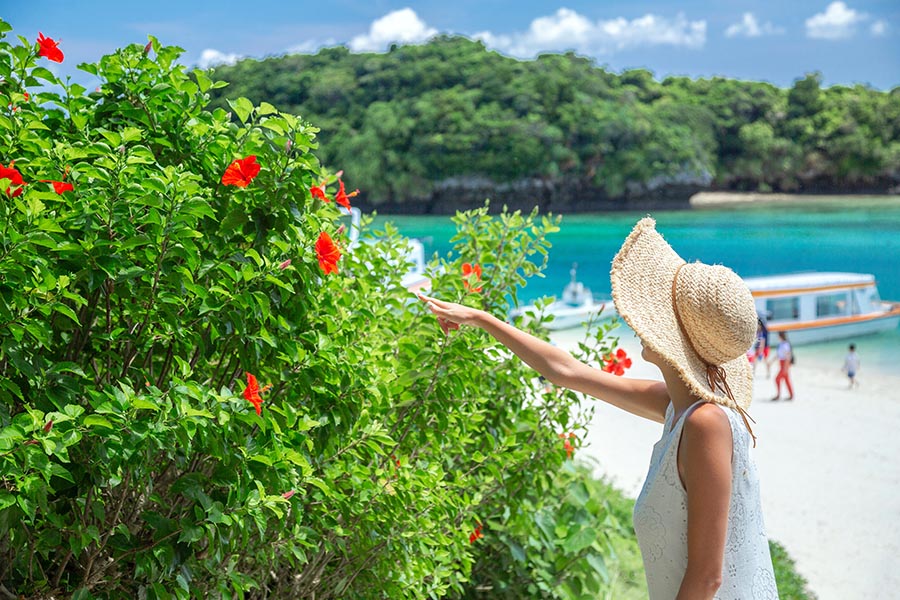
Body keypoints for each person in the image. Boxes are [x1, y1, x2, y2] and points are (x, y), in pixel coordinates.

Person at [420, 217, 777, 599]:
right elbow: (567, 371)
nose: (642, 320)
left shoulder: (706, 423)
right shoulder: (678, 407)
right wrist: (481, 318)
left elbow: (708, 577)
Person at [771, 331, 794, 401]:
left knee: (777, 379)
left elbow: (788, 357)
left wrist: (786, 367)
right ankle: (791, 395)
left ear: (780, 336)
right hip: (782, 364)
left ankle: (778, 395)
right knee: (786, 380)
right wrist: (771, 361)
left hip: (785, 364)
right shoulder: (781, 344)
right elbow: (779, 355)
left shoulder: (785, 345)